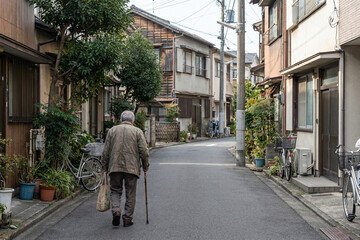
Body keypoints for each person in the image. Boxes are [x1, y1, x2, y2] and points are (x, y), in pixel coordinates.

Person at [102, 110, 149, 227]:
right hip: (132, 167)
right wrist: (145, 166)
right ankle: (127, 218)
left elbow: (106, 151)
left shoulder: (112, 130)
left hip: (114, 166)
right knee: (130, 193)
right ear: (132, 121)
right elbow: (144, 151)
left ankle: (116, 210)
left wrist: (104, 167)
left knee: (115, 190)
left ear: (121, 120)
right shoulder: (137, 131)